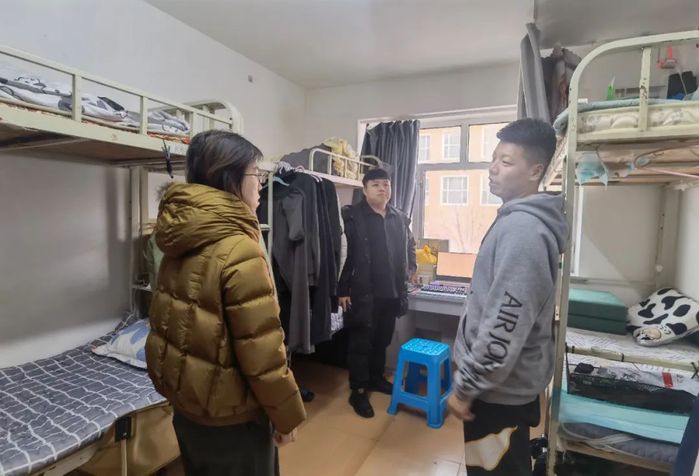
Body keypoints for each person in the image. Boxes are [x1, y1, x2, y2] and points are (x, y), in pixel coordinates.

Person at [145, 130, 306, 476]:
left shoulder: (179, 235)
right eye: (255, 174)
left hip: (189, 411)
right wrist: (286, 415)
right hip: (233, 421)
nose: (261, 185)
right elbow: (261, 352)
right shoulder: (238, 247)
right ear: (228, 177)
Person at [448, 118, 568, 476]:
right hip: (502, 386)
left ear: (535, 171)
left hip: (497, 391)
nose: (493, 168)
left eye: (506, 161)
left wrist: (466, 388)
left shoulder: (523, 231)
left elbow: (504, 324)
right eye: (493, 158)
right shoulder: (515, 220)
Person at [338, 168, 416, 418]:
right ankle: (358, 390)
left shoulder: (399, 217)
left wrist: (412, 268)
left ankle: (375, 378)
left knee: (382, 339)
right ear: (365, 190)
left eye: (386, 184)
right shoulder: (352, 217)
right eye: (376, 185)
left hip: (391, 293)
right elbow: (343, 254)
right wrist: (342, 288)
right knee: (361, 343)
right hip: (362, 293)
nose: (383, 189)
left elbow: (410, 245)